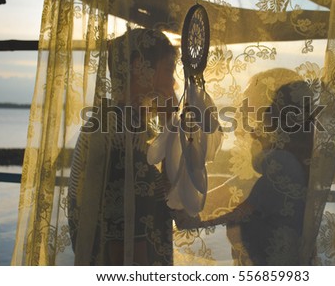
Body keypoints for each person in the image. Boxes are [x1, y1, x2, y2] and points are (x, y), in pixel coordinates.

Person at [175, 68, 314, 265]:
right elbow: (232, 190)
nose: (247, 126)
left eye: (252, 112)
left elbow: (191, 219)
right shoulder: (281, 168)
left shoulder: (282, 167)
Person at [68, 28, 177, 265]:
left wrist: (169, 124)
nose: (174, 82)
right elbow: (123, 245)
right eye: (169, 69)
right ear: (139, 67)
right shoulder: (118, 134)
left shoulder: (120, 123)